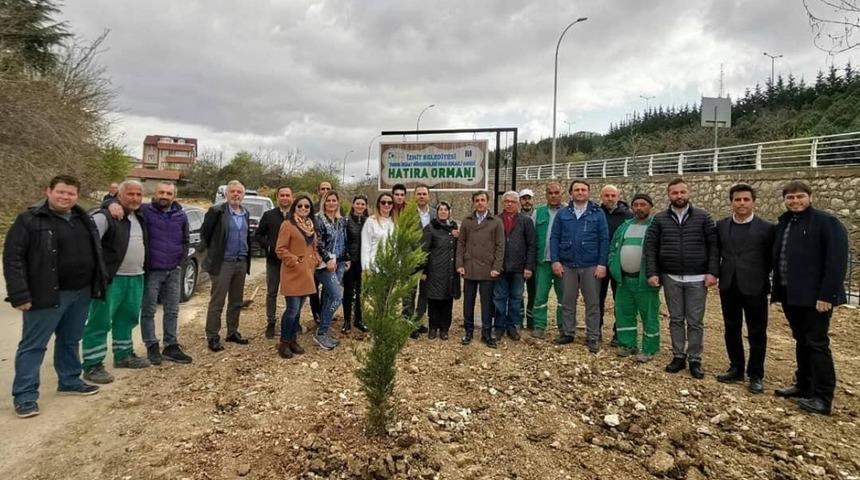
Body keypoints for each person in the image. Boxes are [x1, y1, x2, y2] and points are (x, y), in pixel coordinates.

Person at [4, 175, 106, 418]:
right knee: (33, 346)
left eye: (70, 193)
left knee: (70, 340)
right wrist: (19, 294)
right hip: (45, 294)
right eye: (60, 192)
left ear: (76, 196)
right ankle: (25, 396)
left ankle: (69, 380)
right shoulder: (29, 219)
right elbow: (12, 258)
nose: (65, 197)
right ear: (48, 191)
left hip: (80, 292)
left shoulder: (83, 218)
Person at [772, 181, 848, 416]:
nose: (795, 201)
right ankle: (804, 385)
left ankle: (823, 397)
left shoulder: (827, 222)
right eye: (790, 198)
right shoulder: (785, 223)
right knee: (801, 340)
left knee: (817, 343)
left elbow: (836, 261)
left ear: (810, 197)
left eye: (799, 197)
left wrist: (827, 295)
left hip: (816, 298)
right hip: (790, 294)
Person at [645, 178, 718, 380]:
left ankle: (695, 358)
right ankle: (678, 356)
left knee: (695, 321)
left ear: (688, 193)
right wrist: (653, 272)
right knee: (676, 319)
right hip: (671, 277)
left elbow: (714, 246)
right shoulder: (659, 219)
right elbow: (651, 248)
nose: (679, 196)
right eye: (675, 193)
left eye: (682, 192)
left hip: (697, 277)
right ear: (669, 195)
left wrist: (713, 272)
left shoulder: (703, 217)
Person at [81, 180, 150, 384]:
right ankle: (92, 364)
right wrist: (107, 203)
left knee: (127, 318)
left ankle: (124, 355)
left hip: (136, 276)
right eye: (130, 194)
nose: (135, 198)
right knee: (100, 321)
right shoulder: (107, 216)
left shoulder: (140, 216)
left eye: (139, 194)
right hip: (112, 279)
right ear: (119, 195)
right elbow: (88, 237)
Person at [715, 184, 775, 394]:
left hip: (755, 287)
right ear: (731, 202)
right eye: (737, 200)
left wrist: (756, 273)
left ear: (753, 202)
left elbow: (771, 258)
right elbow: (717, 253)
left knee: (757, 332)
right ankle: (736, 368)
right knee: (731, 328)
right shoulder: (721, 225)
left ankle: (756, 374)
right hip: (729, 285)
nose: (741, 203)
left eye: (746, 200)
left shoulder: (767, 228)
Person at [549, 180, 609, 353]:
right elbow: (554, 237)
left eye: (583, 189)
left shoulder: (597, 213)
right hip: (567, 264)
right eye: (577, 190)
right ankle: (568, 332)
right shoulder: (563, 213)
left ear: (589, 192)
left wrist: (602, 264)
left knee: (592, 303)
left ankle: (593, 336)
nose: (580, 192)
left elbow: (604, 239)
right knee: (567, 301)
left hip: (591, 265)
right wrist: (555, 260)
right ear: (571, 193)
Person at [137, 182, 193, 365]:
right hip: (153, 270)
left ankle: (170, 345)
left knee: (172, 310)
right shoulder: (144, 211)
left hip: (174, 270)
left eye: (169, 193)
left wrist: (181, 262)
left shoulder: (181, 215)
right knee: (148, 310)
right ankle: (151, 345)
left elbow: (186, 240)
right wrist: (109, 204)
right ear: (155, 193)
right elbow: (121, 203)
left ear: (174, 196)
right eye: (161, 192)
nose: (164, 196)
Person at [608, 193, 660, 363]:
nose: (639, 208)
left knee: (649, 315)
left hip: (645, 281)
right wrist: (613, 267)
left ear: (650, 206)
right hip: (624, 280)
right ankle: (628, 344)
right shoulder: (625, 226)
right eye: (636, 204)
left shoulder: (656, 226)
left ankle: (649, 348)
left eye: (643, 204)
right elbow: (613, 248)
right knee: (624, 313)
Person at [201, 180, 252, 352]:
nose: (236, 195)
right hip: (223, 263)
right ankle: (213, 336)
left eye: (239, 192)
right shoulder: (216, 211)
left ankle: (232, 332)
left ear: (243, 195)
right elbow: (205, 234)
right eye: (233, 192)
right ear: (226, 194)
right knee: (217, 302)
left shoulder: (245, 213)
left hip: (241, 262)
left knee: (236, 301)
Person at [456, 191, 505, 348]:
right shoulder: (467, 221)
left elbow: (500, 246)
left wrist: (497, 267)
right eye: (477, 200)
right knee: (468, 302)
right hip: (469, 267)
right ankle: (468, 331)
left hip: (487, 268)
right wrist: (460, 264)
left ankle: (486, 333)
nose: (480, 203)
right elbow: (461, 244)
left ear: (488, 202)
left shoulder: (496, 222)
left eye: (482, 200)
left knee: (487, 303)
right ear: (473, 203)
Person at [274, 195, 320, 359]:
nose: (303, 209)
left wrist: (315, 259)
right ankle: (284, 342)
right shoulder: (288, 225)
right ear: (294, 207)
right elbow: (280, 249)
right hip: (292, 273)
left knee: (298, 310)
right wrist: (296, 260)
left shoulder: (310, 226)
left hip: (307, 273)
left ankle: (293, 340)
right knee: (292, 310)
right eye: (300, 206)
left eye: (307, 206)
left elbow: (312, 247)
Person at [493, 191, 535, 342]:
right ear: (503, 203)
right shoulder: (495, 220)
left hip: (519, 268)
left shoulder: (526, 221)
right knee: (499, 298)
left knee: (516, 299)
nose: (509, 204)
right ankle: (498, 327)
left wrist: (528, 267)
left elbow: (531, 245)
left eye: (512, 201)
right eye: (506, 201)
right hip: (501, 267)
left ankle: (512, 326)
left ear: (517, 203)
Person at [255, 185, 293, 338]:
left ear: (292, 197)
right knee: (271, 292)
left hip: (291, 264)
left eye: (287, 195)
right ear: (277, 198)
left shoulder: (297, 216)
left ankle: (291, 320)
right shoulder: (268, 215)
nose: (284, 198)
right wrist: (269, 247)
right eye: (282, 195)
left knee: (291, 294)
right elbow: (258, 236)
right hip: (273, 262)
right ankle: (271, 322)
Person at [313, 190, 349, 350]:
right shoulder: (318, 219)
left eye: (334, 200)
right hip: (325, 264)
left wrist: (346, 258)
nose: (331, 203)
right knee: (337, 296)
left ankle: (325, 331)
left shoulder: (341, 220)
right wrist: (327, 259)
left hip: (340, 263)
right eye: (328, 200)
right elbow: (317, 242)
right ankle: (320, 333)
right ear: (324, 202)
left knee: (328, 297)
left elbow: (344, 239)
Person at [598, 185, 632, 346]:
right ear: (601, 197)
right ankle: (595, 330)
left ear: (618, 196)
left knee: (621, 300)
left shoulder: (628, 216)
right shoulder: (596, 214)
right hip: (599, 263)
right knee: (597, 299)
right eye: (607, 195)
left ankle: (619, 333)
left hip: (620, 264)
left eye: (613, 195)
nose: (610, 198)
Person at [531, 182, 565, 339]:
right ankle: (539, 326)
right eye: (550, 193)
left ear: (561, 194)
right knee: (540, 296)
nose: (553, 195)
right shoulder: (538, 212)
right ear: (546, 195)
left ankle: (563, 327)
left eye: (556, 192)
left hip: (563, 263)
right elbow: (531, 238)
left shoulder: (568, 212)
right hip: (543, 261)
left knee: (564, 297)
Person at [421, 202, 460, 340]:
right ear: (437, 212)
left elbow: (458, 248)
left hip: (449, 272)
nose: (443, 212)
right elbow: (424, 250)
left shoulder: (454, 228)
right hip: (434, 270)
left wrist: (458, 237)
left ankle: (444, 329)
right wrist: (423, 270)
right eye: (440, 210)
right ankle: (433, 327)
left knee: (447, 300)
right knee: (433, 300)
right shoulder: (430, 228)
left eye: (446, 209)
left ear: (449, 211)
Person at [405, 184, 434, 337]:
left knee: (425, 294)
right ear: (415, 196)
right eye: (419, 194)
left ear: (429, 196)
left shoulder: (435, 214)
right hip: (411, 259)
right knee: (409, 293)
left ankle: (418, 321)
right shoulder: (407, 213)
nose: (422, 196)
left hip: (430, 261)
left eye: (424, 193)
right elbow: (403, 235)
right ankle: (408, 324)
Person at [343, 195, 369, 333]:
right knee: (348, 292)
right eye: (357, 203)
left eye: (362, 204)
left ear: (365, 206)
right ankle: (346, 321)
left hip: (363, 261)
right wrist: (346, 257)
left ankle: (358, 319)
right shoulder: (346, 221)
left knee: (361, 292)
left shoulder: (368, 221)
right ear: (353, 205)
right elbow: (343, 241)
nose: (360, 206)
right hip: (350, 261)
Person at [309, 181, 333, 324]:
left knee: (327, 288)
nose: (325, 191)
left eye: (328, 189)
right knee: (313, 287)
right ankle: (316, 313)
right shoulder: (312, 209)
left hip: (331, 257)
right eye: (322, 189)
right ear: (318, 191)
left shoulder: (336, 208)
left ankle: (324, 312)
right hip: (316, 255)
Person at [361, 193, 396, 272]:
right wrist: (366, 269)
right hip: (374, 267)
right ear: (378, 204)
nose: (386, 204)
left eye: (389, 202)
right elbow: (366, 247)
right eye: (383, 202)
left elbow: (396, 246)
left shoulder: (394, 222)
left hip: (391, 267)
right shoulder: (371, 221)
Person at [518, 188, 536, 330]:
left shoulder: (538, 214)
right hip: (519, 260)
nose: (526, 201)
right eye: (524, 198)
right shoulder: (516, 217)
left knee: (533, 292)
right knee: (518, 292)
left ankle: (531, 320)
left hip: (534, 260)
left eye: (528, 198)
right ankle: (518, 318)